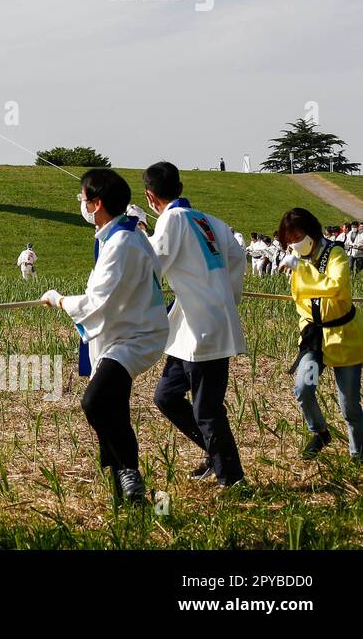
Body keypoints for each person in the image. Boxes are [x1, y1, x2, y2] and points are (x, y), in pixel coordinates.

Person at [40, 169, 169, 505]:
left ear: (96, 204)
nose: (81, 204)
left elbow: (97, 301)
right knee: (114, 406)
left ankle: (128, 470)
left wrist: (60, 300)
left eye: (83, 198)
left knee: (94, 402)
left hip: (135, 335)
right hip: (122, 329)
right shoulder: (123, 234)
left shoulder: (122, 242)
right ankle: (124, 489)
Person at [141, 161, 247, 486]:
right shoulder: (210, 220)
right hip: (193, 328)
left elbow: (153, 266)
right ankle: (216, 457)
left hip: (204, 330)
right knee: (166, 396)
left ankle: (233, 479)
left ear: (149, 196)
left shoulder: (171, 219)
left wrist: (137, 233)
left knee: (207, 410)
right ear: (181, 188)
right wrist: (225, 294)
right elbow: (239, 257)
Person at [279, 208, 361, 460]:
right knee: (304, 386)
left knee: (348, 404)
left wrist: (300, 268)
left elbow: (335, 287)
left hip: (344, 339)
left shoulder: (335, 254)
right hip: (315, 340)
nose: (293, 243)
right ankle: (320, 431)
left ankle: (358, 454)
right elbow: (299, 298)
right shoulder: (296, 257)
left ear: (311, 231)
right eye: (288, 240)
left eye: (297, 236)